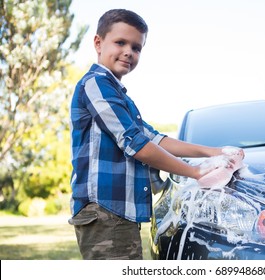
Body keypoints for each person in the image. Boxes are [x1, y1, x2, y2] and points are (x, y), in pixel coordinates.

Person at [68, 9, 244, 260]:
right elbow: (136, 144)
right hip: (104, 210)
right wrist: (196, 172)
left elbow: (155, 139)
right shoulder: (95, 84)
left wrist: (215, 152)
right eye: (120, 42)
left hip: (118, 211)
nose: (129, 51)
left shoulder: (120, 96)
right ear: (98, 42)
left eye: (136, 47)